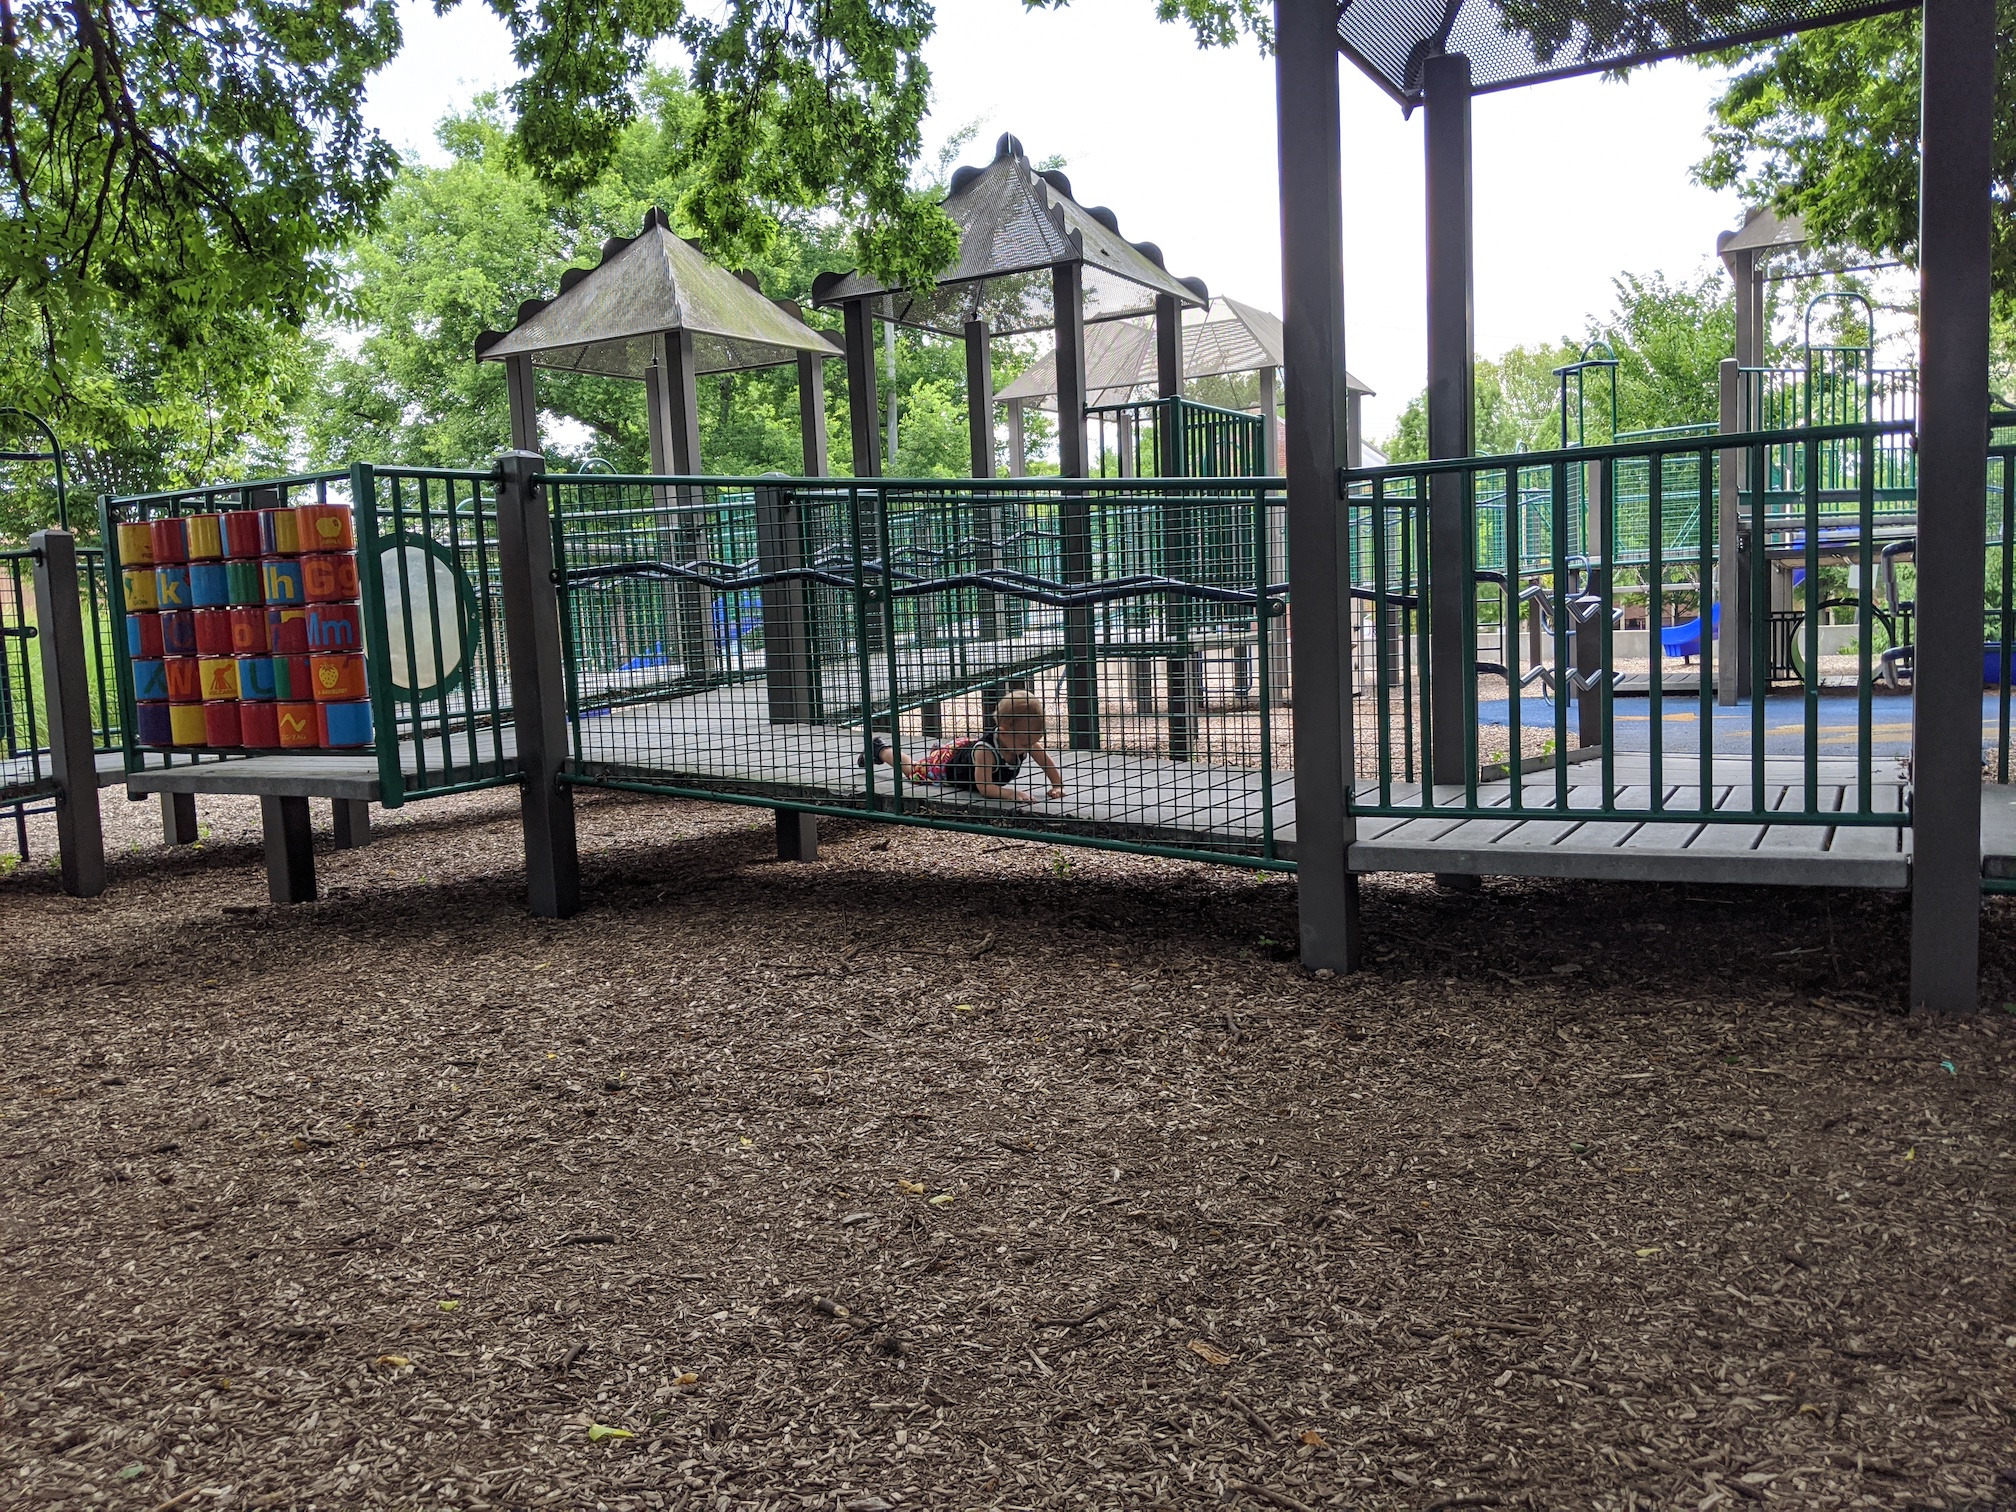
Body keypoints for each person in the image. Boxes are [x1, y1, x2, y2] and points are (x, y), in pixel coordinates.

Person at [861, 690, 1066, 804]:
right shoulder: (986, 752)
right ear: (1003, 731)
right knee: (913, 771)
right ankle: (879, 749)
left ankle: (937, 752)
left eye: (1034, 740)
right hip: (949, 767)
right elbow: (984, 787)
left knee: (934, 758)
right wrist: (1011, 793)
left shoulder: (1025, 740)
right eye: (1025, 742)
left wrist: (1057, 785)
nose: (1030, 746)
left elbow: (1046, 764)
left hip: (962, 751)